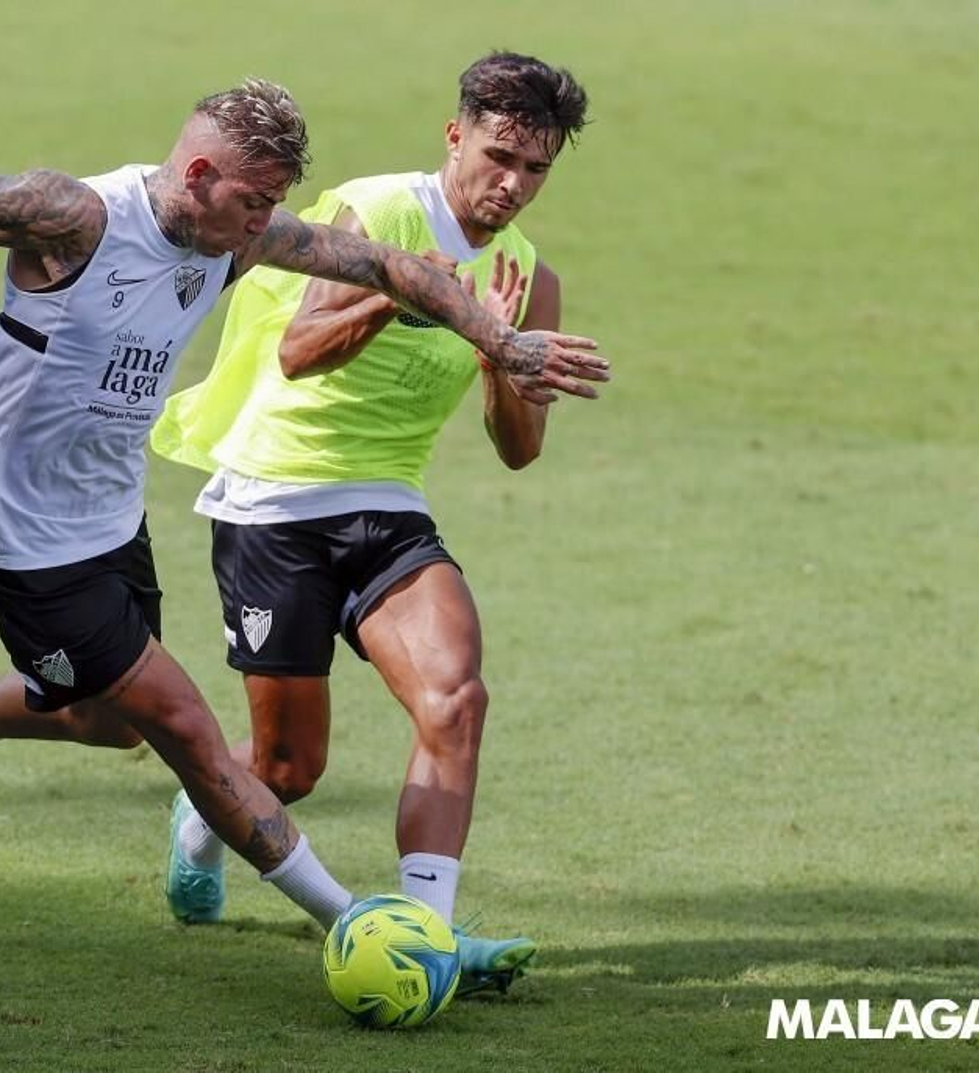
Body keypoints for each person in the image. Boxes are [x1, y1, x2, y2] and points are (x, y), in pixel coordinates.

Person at [0, 79, 608, 955]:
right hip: (19, 539)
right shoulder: (71, 217)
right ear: (197, 174)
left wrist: (501, 340)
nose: (270, 227)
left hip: (109, 521)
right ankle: (362, 925)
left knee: (111, 724)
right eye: (254, 202)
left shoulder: (234, 235)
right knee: (187, 725)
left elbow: (396, 270)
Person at [146, 53, 596, 990]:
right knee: (288, 763)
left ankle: (427, 935)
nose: (512, 184)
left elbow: (519, 449)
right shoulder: (382, 214)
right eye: (500, 155)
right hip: (276, 498)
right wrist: (408, 293)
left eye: (537, 169)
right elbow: (301, 349)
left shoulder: (527, 279)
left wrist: (500, 363)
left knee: (455, 696)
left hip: (387, 501)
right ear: (456, 136)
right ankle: (202, 820)